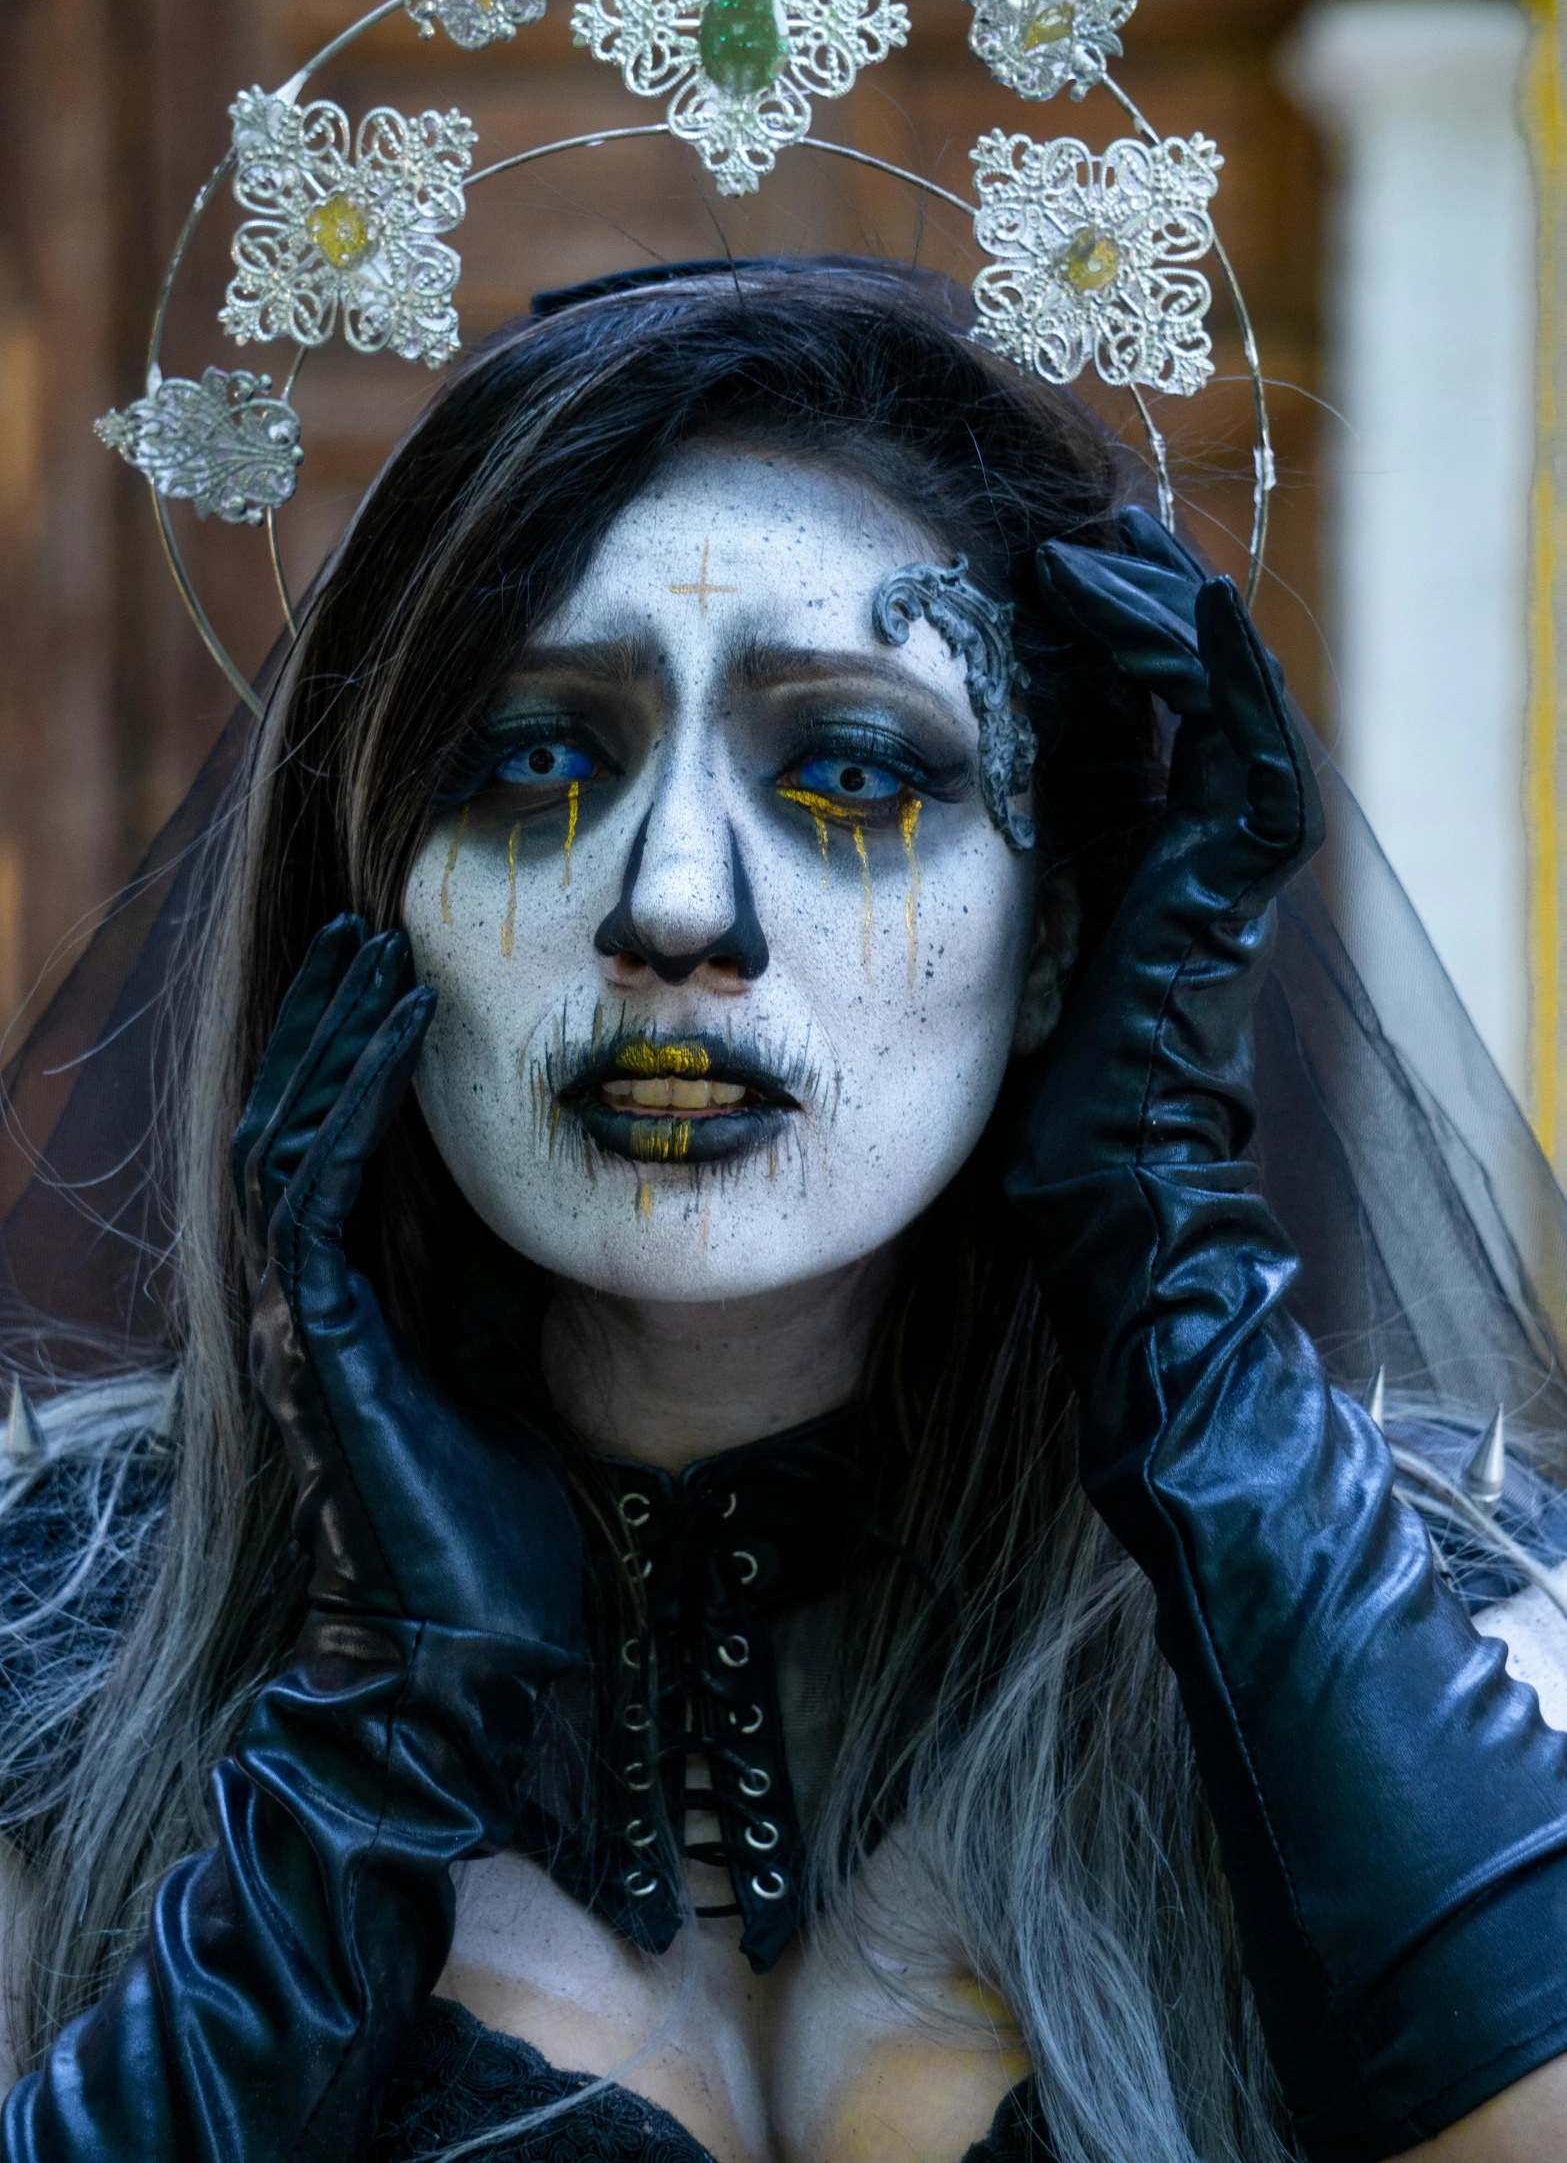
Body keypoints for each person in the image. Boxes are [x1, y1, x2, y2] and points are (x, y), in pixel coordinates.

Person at [0, 259, 1566, 2163]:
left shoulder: (1450, 1637)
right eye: (532, 757)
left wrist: (1201, 1376)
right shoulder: (48, 1660)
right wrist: (374, 1727)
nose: (674, 906)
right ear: (364, 905)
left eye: (849, 770)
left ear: (1063, 930)